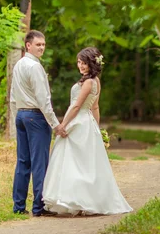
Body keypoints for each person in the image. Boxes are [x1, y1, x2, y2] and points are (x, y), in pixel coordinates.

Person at [42, 47, 133, 215]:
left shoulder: (89, 82)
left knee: (75, 163)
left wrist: (63, 125)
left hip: (79, 122)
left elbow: (76, 106)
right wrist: (96, 129)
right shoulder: (96, 81)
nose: (81, 66)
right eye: (79, 62)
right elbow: (96, 107)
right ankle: (79, 201)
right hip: (87, 123)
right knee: (84, 163)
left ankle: (78, 201)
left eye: (84, 63)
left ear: (92, 63)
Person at [10, 30, 67, 217]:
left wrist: (16, 117)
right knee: (39, 163)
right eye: (38, 44)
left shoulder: (19, 65)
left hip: (22, 115)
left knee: (22, 162)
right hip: (35, 116)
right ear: (28, 45)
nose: (42, 47)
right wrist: (55, 124)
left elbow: (12, 97)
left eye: (43, 44)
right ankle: (39, 207)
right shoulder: (34, 67)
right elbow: (43, 100)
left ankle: (18, 207)